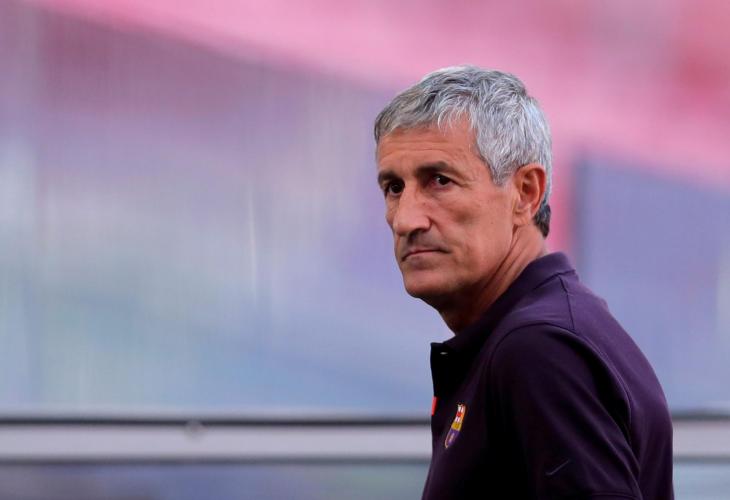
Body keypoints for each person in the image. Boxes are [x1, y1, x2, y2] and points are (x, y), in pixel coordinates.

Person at [373, 66, 673, 499]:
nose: (406, 220)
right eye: (394, 187)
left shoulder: (539, 349)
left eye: (440, 181)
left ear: (526, 193)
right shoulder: (544, 333)